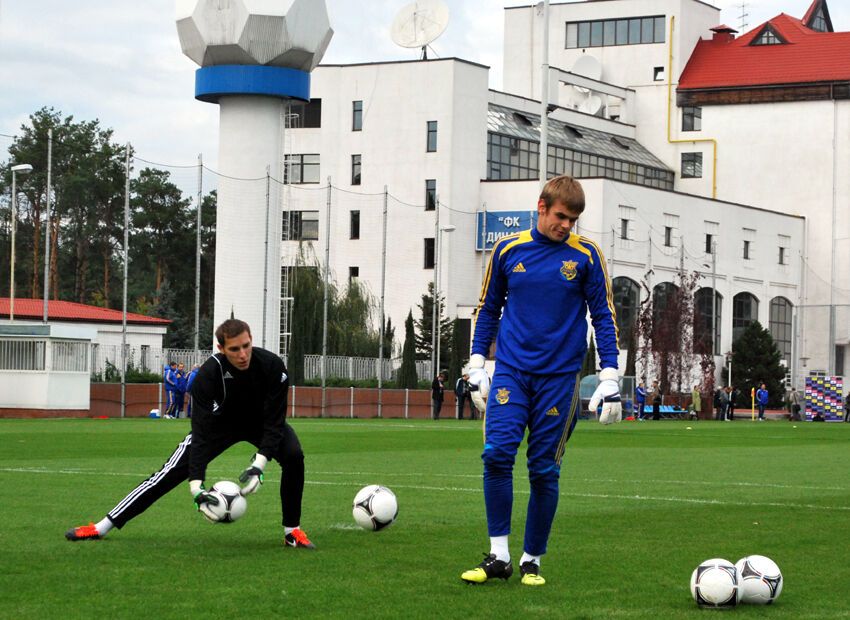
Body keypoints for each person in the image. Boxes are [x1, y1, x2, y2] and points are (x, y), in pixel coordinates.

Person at [460, 175, 621, 587]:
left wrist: (609, 375)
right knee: (496, 456)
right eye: (562, 217)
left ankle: (531, 560)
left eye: (574, 219)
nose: (567, 225)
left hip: (560, 379)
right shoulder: (508, 250)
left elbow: (603, 315)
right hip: (510, 371)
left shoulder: (586, 256)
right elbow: (488, 306)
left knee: (543, 470)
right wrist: (477, 362)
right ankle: (498, 556)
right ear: (542, 207)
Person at [65, 318, 315, 549]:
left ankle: (292, 531)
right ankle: (101, 526)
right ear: (221, 348)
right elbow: (201, 434)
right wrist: (196, 487)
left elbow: (274, 422)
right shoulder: (207, 376)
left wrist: (260, 464)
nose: (242, 354)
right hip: (218, 426)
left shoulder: (273, 367)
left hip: (260, 424)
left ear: (251, 340)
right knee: (167, 475)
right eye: (234, 349)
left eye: (246, 346)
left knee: (294, 456)